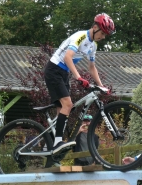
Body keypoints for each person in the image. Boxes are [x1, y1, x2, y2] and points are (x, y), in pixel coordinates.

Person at [44, 13, 115, 154]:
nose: (103, 37)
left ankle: (53, 148)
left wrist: (101, 86)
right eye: (102, 33)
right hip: (54, 70)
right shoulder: (80, 36)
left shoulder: (93, 45)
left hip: (64, 73)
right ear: (95, 27)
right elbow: (67, 57)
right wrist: (78, 77)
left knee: (63, 110)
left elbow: (92, 67)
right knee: (68, 104)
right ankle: (58, 143)